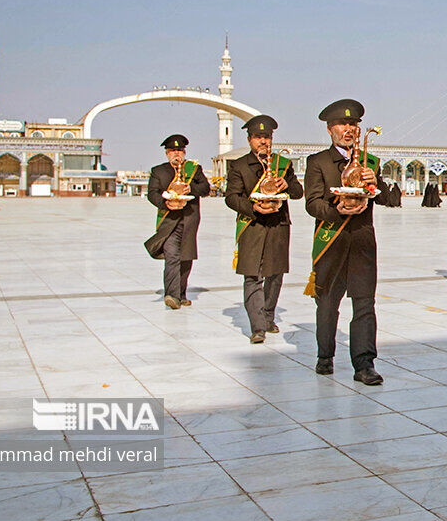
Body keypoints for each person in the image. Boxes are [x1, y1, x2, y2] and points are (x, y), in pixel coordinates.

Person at [304, 99, 389, 385]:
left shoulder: (370, 162)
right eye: (343, 124)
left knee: (364, 303)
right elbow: (312, 203)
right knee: (327, 302)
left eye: (354, 124)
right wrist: (335, 210)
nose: (349, 129)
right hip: (332, 242)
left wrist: (375, 180)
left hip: (363, 243)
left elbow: (390, 198)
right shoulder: (317, 162)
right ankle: (325, 355)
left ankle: (364, 364)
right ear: (330, 130)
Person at [225, 115, 303, 343]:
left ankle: (268, 315)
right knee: (252, 276)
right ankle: (257, 326)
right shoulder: (239, 166)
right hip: (252, 225)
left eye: (267, 137)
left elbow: (298, 192)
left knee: (275, 273)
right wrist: (253, 207)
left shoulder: (283, 164)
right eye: (258, 137)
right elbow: (231, 197)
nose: (263, 141)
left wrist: (288, 184)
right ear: (250, 140)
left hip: (278, 225)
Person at [145, 134, 211, 309]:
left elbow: (206, 188)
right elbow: (152, 193)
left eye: (180, 150)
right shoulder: (159, 171)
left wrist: (192, 188)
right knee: (172, 257)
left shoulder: (194, 169)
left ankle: (181, 293)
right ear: (167, 154)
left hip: (189, 220)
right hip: (169, 222)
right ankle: (172, 295)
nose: (177, 154)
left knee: (186, 258)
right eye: (173, 151)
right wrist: (165, 203)